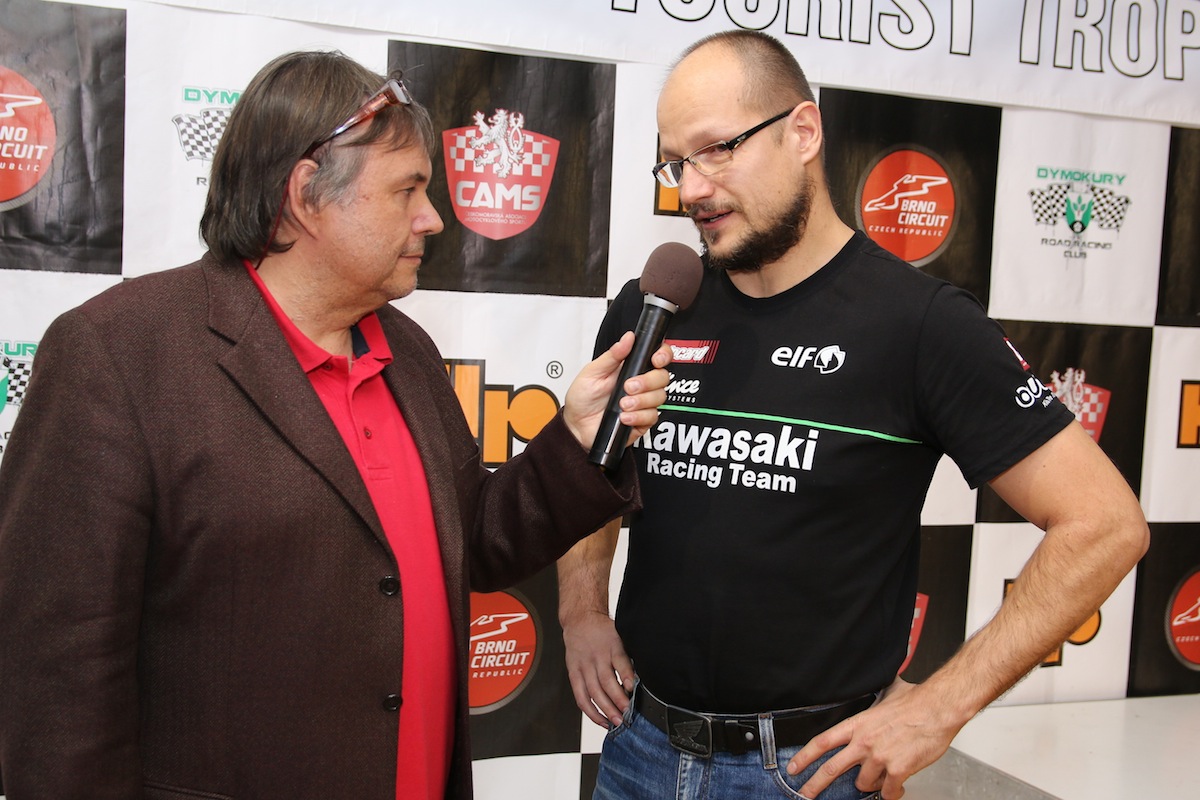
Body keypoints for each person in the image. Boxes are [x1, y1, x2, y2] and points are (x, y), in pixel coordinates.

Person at [0, 50, 672, 800]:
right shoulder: (118, 354)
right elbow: (56, 678)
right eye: (407, 190)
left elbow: (475, 543)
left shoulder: (406, 351)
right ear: (305, 195)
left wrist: (576, 439)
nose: (433, 217)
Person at [557, 30, 1149, 800]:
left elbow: (1106, 524)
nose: (692, 188)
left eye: (717, 150)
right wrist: (580, 608)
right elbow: (593, 471)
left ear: (803, 132)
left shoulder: (921, 324)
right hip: (639, 748)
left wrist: (941, 706)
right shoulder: (654, 308)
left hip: (808, 773)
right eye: (675, 163)